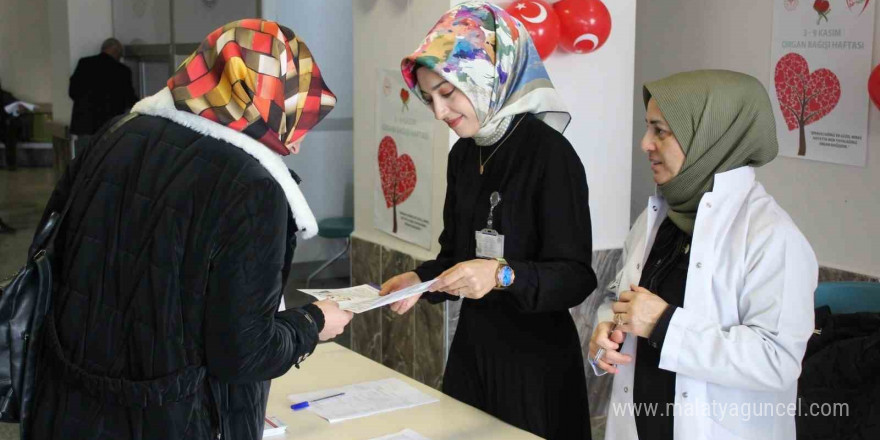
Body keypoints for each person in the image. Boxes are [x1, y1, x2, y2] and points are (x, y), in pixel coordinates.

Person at [30, 19, 351, 440]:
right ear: (273, 98)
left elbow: (48, 258)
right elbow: (243, 352)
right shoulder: (252, 187)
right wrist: (312, 323)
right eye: (300, 113)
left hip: (67, 400)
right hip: (169, 417)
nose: (299, 137)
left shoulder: (116, 133)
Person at [382, 3, 598, 439]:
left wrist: (502, 275)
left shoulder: (549, 156)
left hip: (535, 366)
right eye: (429, 99)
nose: (440, 112)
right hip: (474, 351)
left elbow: (575, 278)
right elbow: (456, 256)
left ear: (485, 77)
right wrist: (419, 281)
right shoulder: (464, 154)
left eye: (448, 93)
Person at [589, 70, 817, 440]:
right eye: (647, 128)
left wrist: (664, 325)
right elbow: (621, 299)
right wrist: (605, 331)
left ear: (711, 136)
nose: (645, 144)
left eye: (660, 130)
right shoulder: (657, 217)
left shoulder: (773, 236)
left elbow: (777, 361)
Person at [69, 38, 138, 138]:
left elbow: (73, 92)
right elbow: (128, 99)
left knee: (85, 153)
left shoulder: (84, 64)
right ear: (116, 51)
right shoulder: (122, 71)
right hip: (109, 127)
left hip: (84, 125)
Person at [1, 78, 27, 171]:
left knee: (10, 136)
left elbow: (19, 106)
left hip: (4, 128)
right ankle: (11, 164)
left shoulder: (5, 96)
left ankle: (11, 164)